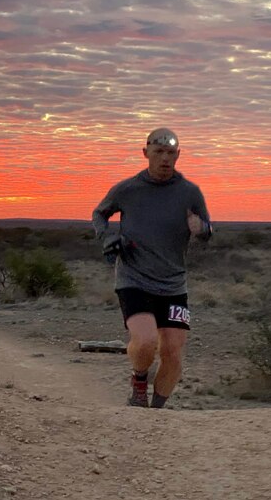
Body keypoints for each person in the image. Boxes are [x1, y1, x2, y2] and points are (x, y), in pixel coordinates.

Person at [92, 127, 212, 408]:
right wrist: (108, 236)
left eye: (171, 153)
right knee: (145, 341)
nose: (165, 159)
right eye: (158, 152)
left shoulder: (190, 192)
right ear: (145, 153)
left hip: (173, 283)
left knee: (172, 351)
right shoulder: (128, 189)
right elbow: (99, 213)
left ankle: (155, 411)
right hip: (134, 278)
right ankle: (139, 379)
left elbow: (208, 229)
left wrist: (201, 229)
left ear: (178, 155)